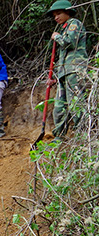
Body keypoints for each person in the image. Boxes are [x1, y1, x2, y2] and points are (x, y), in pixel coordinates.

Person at [47, 0, 87, 138]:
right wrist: (54, 77)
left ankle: (82, 135)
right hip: (64, 72)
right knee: (59, 107)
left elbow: (68, 43)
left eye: (59, 13)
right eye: (54, 15)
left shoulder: (74, 24)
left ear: (68, 12)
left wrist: (57, 36)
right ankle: (59, 136)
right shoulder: (64, 28)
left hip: (75, 69)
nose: (56, 17)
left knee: (76, 103)